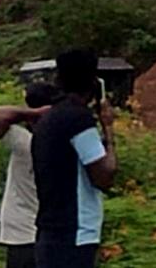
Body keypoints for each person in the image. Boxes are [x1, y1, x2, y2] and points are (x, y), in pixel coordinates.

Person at [31, 51, 118, 268]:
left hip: (50, 230)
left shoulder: (49, 118)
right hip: (75, 232)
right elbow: (104, 176)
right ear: (93, 83)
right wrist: (108, 128)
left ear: (59, 79)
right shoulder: (79, 120)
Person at [0, 83, 61, 268]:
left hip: (22, 230)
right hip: (52, 230)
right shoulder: (62, 145)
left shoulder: (25, 143)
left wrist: (34, 113)